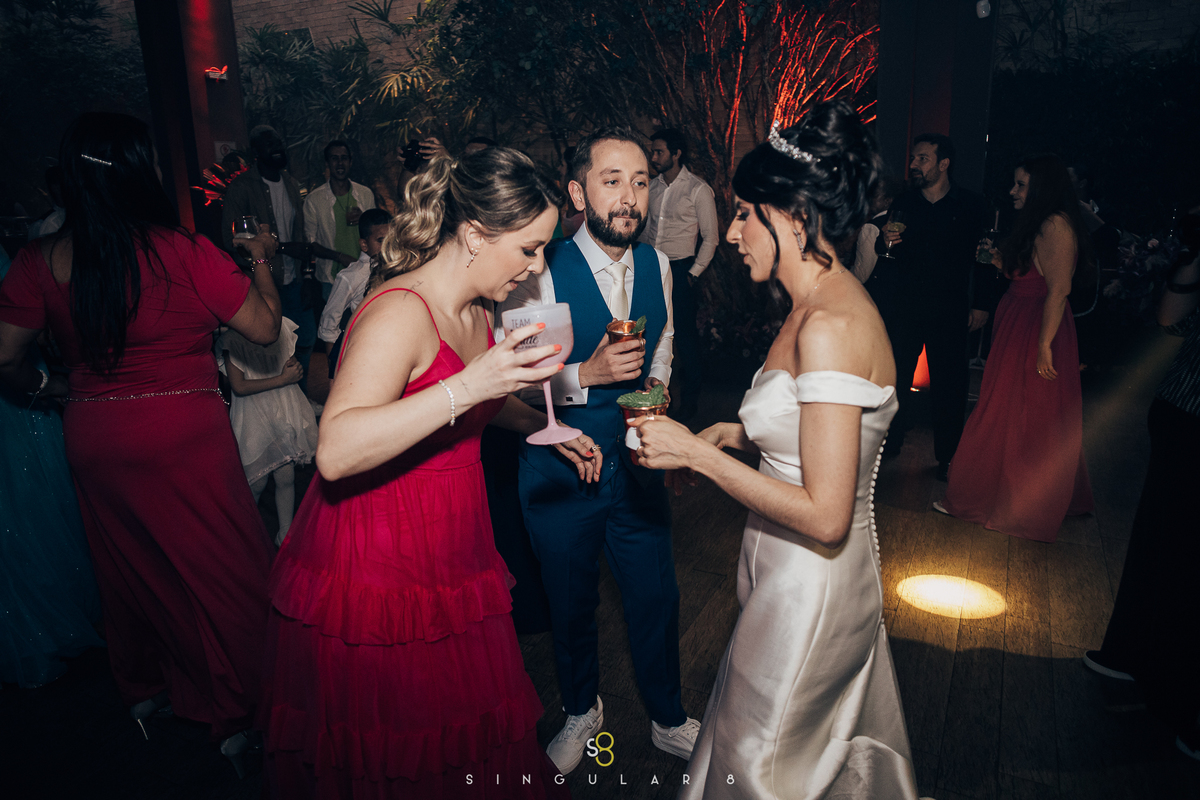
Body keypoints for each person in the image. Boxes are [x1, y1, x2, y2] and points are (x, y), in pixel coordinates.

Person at [261, 147, 595, 798]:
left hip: (456, 536)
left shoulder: (476, 310)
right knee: (399, 735)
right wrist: (475, 384)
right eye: (528, 249)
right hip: (383, 548)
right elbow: (336, 447)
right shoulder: (398, 313)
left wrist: (547, 431)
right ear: (473, 235)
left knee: (468, 722)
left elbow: (479, 402)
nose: (536, 267)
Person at [630, 100, 917, 800]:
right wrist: (741, 432)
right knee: (750, 742)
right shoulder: (810, 305)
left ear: (793, 215)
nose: (730, 234)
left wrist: (697, 456)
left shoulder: (831, 325)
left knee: (764, 765)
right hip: (779, 574)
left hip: (811, 586)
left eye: (743, 214)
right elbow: (809, 424)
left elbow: (826, 515)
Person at [0, 112, 282, 771]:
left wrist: (45, 385)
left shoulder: (42, 261)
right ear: (135, 172)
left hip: (95, 433)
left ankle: (147, 689)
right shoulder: (180, 251)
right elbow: (265, 329)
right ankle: (246, 707)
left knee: (131, 568)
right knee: (225, 568)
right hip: (181, 432)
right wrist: (260, 261)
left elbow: (4, 356)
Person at [497, 125, 701, 775]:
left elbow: (663, 345)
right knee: (570, 598)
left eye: (640, 182)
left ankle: (668, 718)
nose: (629, 196)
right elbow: (519, 381)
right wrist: (589, 373)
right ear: (578, 190)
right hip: (559, 465)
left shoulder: (658, 265)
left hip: (637, 464)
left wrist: (658, 392)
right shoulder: (540, 267)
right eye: (612, 180)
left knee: (655, 594)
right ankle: (582, 709)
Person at [1082, 212, 1200, 762]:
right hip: (1185, 409)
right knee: (1174, 544)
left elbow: (1171, 316)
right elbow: (1171, 316)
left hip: (1181, 405)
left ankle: (1136, 659)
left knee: (1164, 539)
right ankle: (1170, 690)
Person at [936, 154, 1094, 541]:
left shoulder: (1056, 223)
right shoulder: (1040, 222)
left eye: (1021, 185)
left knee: (1019, 414)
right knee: (1014, 410)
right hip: (1021, 323)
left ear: (1041, 188)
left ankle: (1001, 501)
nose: (1012, 191)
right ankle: (1008, 494)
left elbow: (1059, 290)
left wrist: (1043, 346)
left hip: (1035, 327)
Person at [0, 252, 103, 687]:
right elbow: (10, 353)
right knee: (32, 508)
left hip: (16, 394)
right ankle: (51, 621)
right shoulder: (20, 262)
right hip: (17, 397)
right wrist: (49, 384)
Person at [877, 134, 997, 480]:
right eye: (914, 158)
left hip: (950, 307)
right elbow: (891, 257)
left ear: (944, 164)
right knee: (895, 377)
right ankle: (890, 443)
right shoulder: (905, 202)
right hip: (906, 306)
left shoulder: (972, 205)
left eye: (923, 159)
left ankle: (948, 457)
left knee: (950, 383)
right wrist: (887, 243)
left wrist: (983, 304)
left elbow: (985, 259)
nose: (914, 165)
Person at [223, 124, 315, 395]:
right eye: (269, 145)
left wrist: (307, 275)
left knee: (305, 339)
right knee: (272, 348)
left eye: (279, 143)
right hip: (262, 284)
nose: (277, 149)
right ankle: (280, 405)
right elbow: (231, 242)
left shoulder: (291, 184)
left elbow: (303, 236)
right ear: (255, 152)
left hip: (294, 279)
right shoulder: (241, 188)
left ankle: (303, 397)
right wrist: (282, 248)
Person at [219, 314, 318, 547]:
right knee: (256, 481)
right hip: (253, 416)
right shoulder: (232, 340)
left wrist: (293, 368)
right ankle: (246, 533)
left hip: (281, 408)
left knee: (286, 475)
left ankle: (285, 533)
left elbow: (289, 362)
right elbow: (240, 386)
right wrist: (283, 379)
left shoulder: (280, 325)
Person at [641, 128, 719, 419]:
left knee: (684, 337)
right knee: (652, 331)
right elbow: (644, 227)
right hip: (652, 266)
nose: (654, 156)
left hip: (681, 267)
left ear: (676, 154)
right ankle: (657, 396)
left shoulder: (698, 189)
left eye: (659, 151)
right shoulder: (651, 187)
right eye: (653, 151)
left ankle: (690, 403)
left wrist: (693, 273)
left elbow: (711, 237)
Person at [317, 207, 389, 379]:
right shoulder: (352, 276)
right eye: (381, 240)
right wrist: (334, 367)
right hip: (364, 349)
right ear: (364, 244)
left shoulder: (396, 268)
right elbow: (329, 321)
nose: (388, 246)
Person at [303, 139, 377, 300]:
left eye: (344, 158)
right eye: (334, 158)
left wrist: (364, 218)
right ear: (327, 163)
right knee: (333, 324)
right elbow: (311, 244)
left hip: (365, 275)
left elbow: (376, 233)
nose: (340, 163)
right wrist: (340, 257)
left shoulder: (365, 194)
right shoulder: (314, 199)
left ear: (350, 162)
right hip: (331, 280)